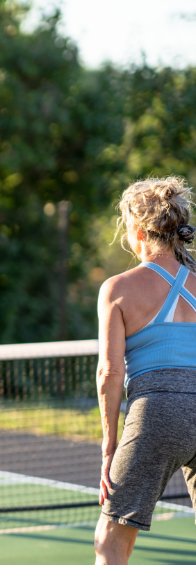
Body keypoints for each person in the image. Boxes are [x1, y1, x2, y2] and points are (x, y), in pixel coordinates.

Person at [94, 176, 196, 565]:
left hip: (158, 412)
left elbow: (109, 372)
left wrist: (109, 445)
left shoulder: (118, 288)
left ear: (136, 230)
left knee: (111, 539)